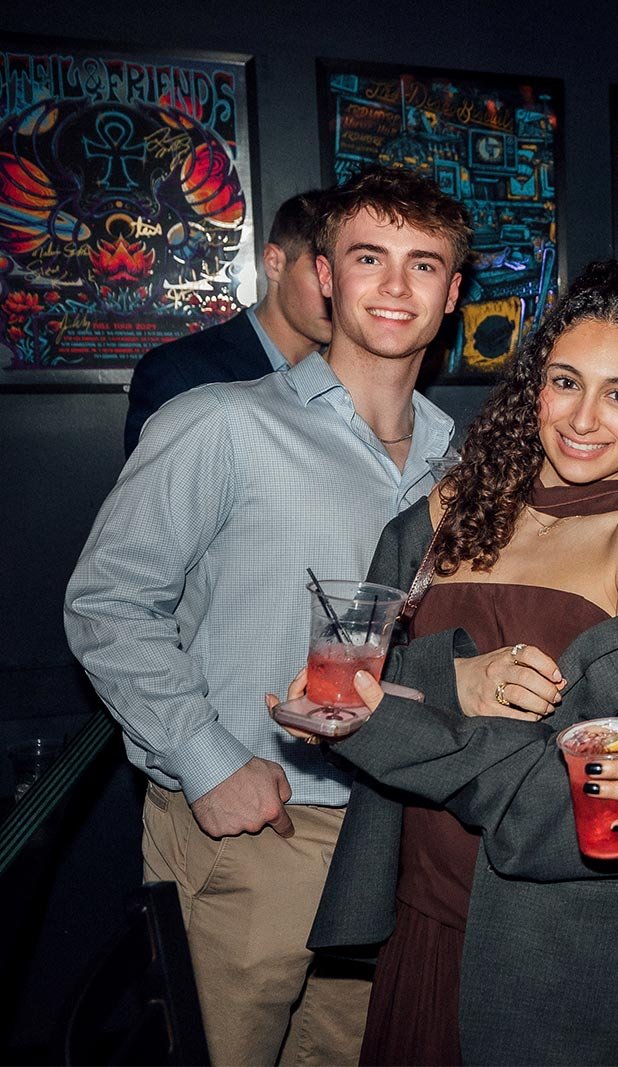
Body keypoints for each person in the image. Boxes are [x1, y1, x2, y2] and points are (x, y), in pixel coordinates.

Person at [63, 166, 468, 1065]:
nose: (396, 286)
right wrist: (208, 762)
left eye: (424, 264)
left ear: (452, 293)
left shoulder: (461, 463)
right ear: (325, 277)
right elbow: (107, 601)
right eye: (370, 258)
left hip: (391, 841)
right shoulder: (221, 422)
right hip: (258, 828)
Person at [291, 260, 618, 1064]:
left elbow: (610, 796)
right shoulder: (449, 510)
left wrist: (391, 720)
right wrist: (454, 680)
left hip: (554, 947)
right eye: (565, 382)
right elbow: (337, 679)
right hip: (423, 914)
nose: (584, 418)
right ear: (534, 386)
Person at [124, 189, 331, 456]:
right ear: (274, 263)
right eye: (320, 272)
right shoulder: (180, 374)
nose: (333, 290)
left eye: (344, 274)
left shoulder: (355, 377)